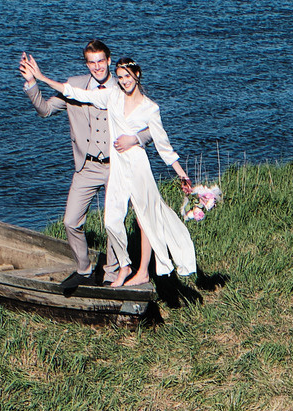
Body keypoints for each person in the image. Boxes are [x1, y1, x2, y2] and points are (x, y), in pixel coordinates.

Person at [21, 53, 199, 291]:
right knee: (107, 221)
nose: (124, 80)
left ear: (136, 75)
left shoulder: (145, 105)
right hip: (104, 167)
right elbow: (69, 96)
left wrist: (180, 173)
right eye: (120, 76)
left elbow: (161, 144)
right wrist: (39, 78)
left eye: (127, 76)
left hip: (133, 166)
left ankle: (133, 270)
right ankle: (111, 267)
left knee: (145, 217)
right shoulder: (109, 94)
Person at [21, 38, 125, 295]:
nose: (97, 67)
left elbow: (144, 124)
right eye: (92, 62)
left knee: (113, 222)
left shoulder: (123, 87)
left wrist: (133, 141)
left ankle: (112, 274)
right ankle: (84, 269)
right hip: (86, 166)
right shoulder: (74, 85)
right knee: (70, 221)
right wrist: (33, 83)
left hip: (117, 166)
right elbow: (45, 110)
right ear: (86, 64)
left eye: (101, 61)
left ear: (109, 61)